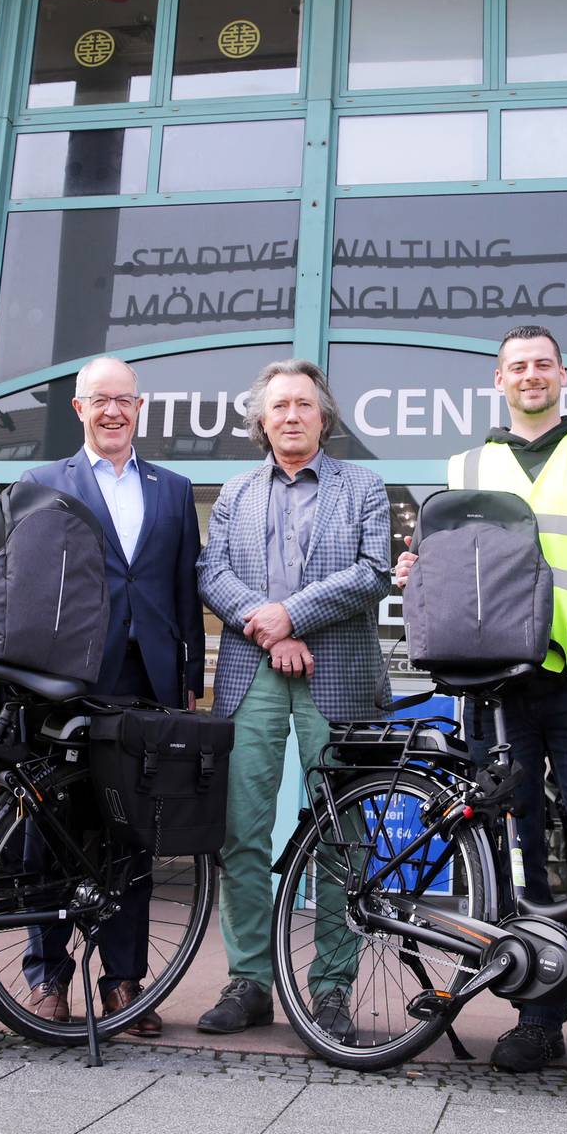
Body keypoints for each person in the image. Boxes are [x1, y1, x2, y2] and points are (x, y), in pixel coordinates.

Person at [392, 324, 567, 1094]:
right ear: (499, 380)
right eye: (517, 366)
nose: (530, 375)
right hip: (495, 683)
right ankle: (539, 1019)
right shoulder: (463, 466)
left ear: (561, 376)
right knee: (525, 855)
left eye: (542, 364)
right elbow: (445, 565)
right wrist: (418, 568)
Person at [194, 359, 391, 1039]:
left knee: (342, 836)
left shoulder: (362, 486)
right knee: (240, 832)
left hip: (336, 676)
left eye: (303, 404)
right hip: (253, 674)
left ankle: (332, 987)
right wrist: (266, 623)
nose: (290, 416)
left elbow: (372, 573)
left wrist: (291, 617)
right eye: (278, 406)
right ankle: (249, 980)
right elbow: (210, 572)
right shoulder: (235, 491)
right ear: (261, 419)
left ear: (324, 416)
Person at [15, 356, 204, 1035]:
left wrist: (191, 676)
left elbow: (183, 589)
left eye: (123, 400)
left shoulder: (174, 489)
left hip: (147, 683)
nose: (112, 411)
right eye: (100, 400)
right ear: (79, 409)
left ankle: (126, 983)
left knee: (132, 835)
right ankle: (46, 980)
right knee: (52, 834)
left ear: (140, 407)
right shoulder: (41, 483)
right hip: (65, 682)